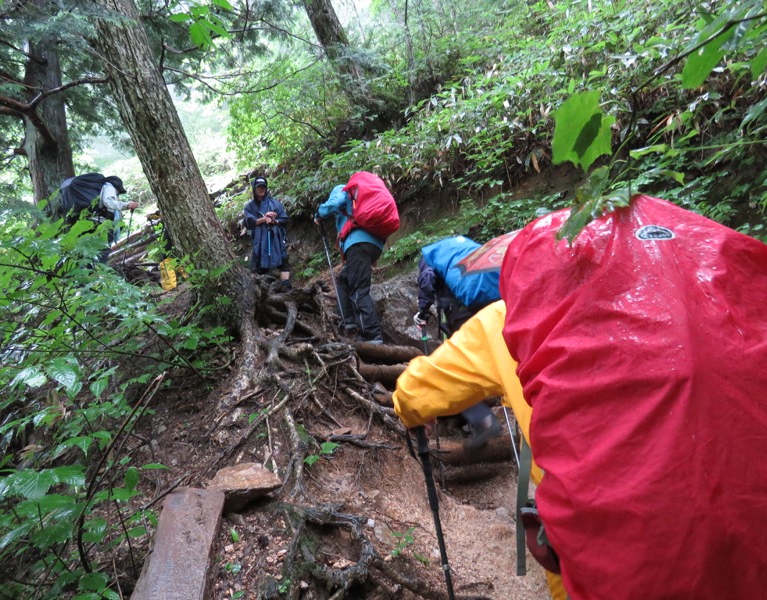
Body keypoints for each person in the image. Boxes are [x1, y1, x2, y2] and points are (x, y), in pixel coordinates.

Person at [393, 195, 767, 600]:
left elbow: (415, 392)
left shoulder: (498, 321)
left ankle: (482, 420)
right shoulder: (714, 297)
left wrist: (407, 408)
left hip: (610, 566)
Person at [416, 242, 501, 451]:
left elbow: (427, 279)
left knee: (460, 368)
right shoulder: (468, 248)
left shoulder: (430, 255)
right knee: (484, 363)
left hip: (462, 313)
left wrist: (423, 311)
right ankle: (472, 421)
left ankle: (482, 420)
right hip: (493, 307)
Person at [314, 184, 384, 344]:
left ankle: (373, 335)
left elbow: (333, 204)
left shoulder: (342, 189)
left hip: (357, 242)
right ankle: (348, 320)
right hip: (373, 243)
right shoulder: (362, 195)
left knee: (359, 289)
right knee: (344, 279)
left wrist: (319, 213)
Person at [243, 176, 291, 290]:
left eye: (263, 187)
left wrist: (274, 220)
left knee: (283, 259)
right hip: (260, 239)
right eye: (259, 187)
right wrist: (264, 219)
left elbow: (284, 219)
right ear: (254, 189)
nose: (261, 189)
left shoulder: (275, 203)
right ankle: (264, 289)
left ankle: (286, 287)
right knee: (260, 262)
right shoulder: (249, 207)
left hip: (276, 237)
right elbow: (249, 222)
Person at [97, 176, 139, 263]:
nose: (117, 193)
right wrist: (126, 205)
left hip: (99, 223)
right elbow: (108, 202)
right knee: (104, 250)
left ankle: (95, 271)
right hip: (103, 224)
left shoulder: (103, 188)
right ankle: (96, 271)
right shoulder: (109, 187)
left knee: (100, 250)